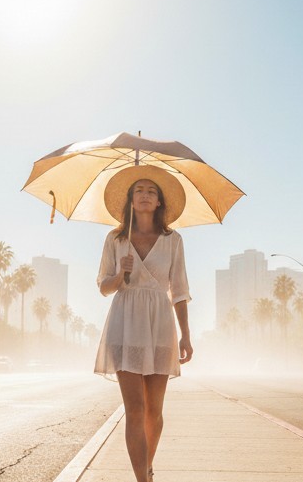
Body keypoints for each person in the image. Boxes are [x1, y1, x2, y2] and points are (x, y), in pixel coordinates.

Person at [94, 165, 193, 482]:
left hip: (160, 322)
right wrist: (119, 274)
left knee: (154, 411)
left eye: (152, 191)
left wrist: (186, 335)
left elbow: (179, 290)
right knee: (134, 409)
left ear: (160, 201)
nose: (145, 195)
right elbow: (104, 287)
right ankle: (142, 479)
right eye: (139, 190)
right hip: (125, 322)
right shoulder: (115, 238)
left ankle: (147, 466)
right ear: (131, 200)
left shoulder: (173, 240)